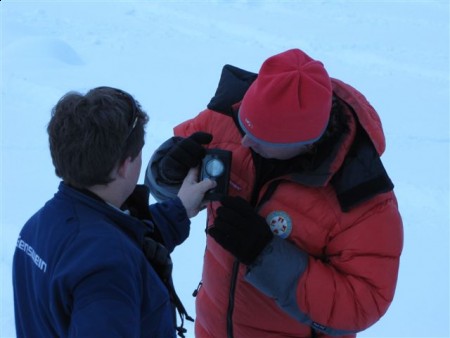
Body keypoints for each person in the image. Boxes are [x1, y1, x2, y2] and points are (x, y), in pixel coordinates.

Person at [145, 49, 404, 338]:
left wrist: (264, 254)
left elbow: (360, 304)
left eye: (259, 138)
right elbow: (163, 189)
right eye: (244, 126)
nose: (244, 140)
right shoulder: (230, 117)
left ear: (306, 143)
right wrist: (167, 173)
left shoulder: (361, 196)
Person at [12, 86, 216, 338]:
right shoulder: (107, 267)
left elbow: (120, 235)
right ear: (123, 166)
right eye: (140, 150)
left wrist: (180, 209)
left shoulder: (39, 226)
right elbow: (105, 252)